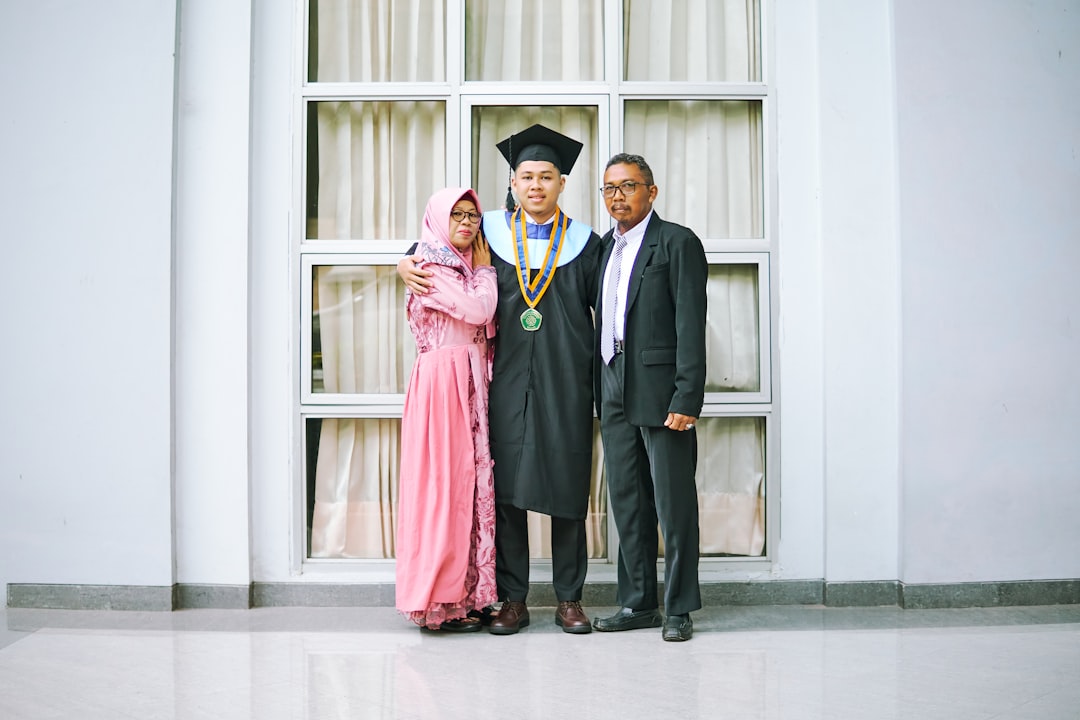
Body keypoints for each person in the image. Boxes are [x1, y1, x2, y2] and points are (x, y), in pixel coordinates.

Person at [399, 125, 602, 635]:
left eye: (546, 177)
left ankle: (570, 598)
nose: (536, 185)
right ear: (512, 183)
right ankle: (512, 599)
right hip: (502, 379)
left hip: (566, 379)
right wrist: (403, 260)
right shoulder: (490, 232)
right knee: (505, 492)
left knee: (567, 488)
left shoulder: (585, 243)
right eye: (527, 176)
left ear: (562, 184)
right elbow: (437, 243)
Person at [591, 153, 708, 642]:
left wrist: (687, 396)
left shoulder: (677, 242)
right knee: (628, 500)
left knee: (673, 503)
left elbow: (690, 323)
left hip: (662, 391)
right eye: (609, 188)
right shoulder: (604, 248)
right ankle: (638, 602)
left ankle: (678, 608)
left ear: (651, 192)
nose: (617, 196)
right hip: (612, 381)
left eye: (628, 186)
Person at [395, 187, 499, 632]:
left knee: (468, 491)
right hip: (443, 386)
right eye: (456, 215)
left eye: (473, 215)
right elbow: (478, 310)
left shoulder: (461, 265)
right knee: (442, 490)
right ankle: (437, 601)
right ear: (438, 219)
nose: (466, 223)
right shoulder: (429, 266)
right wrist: (487, 272)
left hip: (468, 383)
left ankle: (466, 596)